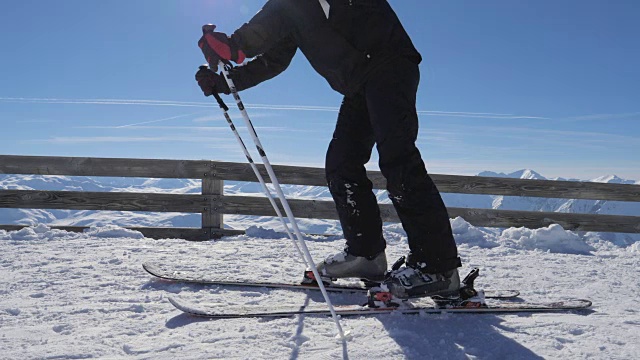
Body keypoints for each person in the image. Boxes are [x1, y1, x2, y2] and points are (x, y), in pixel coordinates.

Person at [195, 0, 462, 299]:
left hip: (389, 65)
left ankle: (439, 268)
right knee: (341, 165)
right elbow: (275, 59)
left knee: (398, 160)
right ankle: (367, 256)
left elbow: (277, 16)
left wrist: (235, 45)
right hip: (359, 83)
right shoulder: (293, 12)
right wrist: (223, 83)